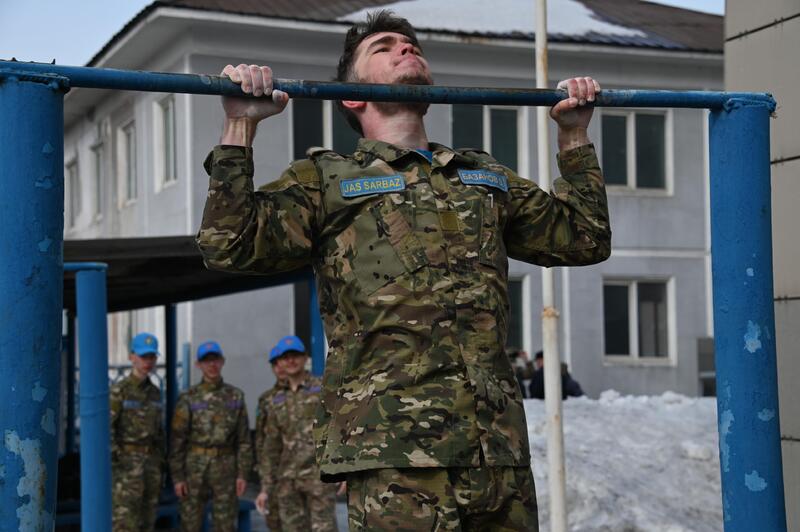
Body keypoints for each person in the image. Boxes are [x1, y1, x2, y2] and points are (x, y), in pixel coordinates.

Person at [196, 10, 611, 530]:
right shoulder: (326, 178)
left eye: (411, 44)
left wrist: (573, 137)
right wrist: (240, 126)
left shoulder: (481, 176)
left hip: (496, 453)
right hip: (394, 457)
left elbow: (586, 239)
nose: (405, 49)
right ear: (351, 95)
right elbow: (228, 245)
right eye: (384, 47)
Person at [255, 336, 338, 531]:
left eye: (295, 356)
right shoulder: (276, 399)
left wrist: (341, 470)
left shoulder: (322, 388)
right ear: (280, 362)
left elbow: (338, 428)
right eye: (285, 357)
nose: (290, 361)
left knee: (323, 528)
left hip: (318, 477)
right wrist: (266, 488)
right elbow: (271, 446)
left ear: (305, 357)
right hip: (287, 479)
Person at [169, 341, 253, 532]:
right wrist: (178, 477)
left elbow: (244, 440)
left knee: (225, 524)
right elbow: (177, 441)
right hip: (194, 468)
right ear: (198, 365)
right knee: (190, 522)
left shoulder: (235, 396)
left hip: (226, 466)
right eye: (206, 361)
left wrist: (243, 474)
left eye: (215, 360)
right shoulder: (188, 397)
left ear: (222, 361)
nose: (212, 365)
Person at [110, 332, 165, 532]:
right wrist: (119, 461)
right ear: (132, 357)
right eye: (143, 357)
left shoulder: (155, 393)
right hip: (126, 466)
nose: (148, 362)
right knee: (125, 522)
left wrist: (159, 462)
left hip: (150, 465)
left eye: (152, 357)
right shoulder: (119, 391)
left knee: (147, 519)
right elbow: (108, 430)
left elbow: (158, 433)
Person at [254, 343, 288, 531]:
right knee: (274, 520)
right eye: (275, 365)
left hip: (303, 469)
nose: (280, 368)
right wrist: (263, 472)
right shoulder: (266, 399)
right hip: (274, 470)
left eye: (282, 363)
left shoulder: (310, 394)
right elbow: (260, 438)